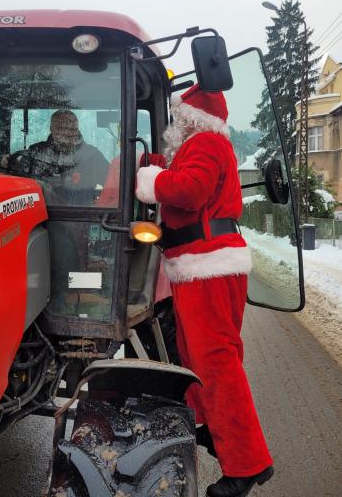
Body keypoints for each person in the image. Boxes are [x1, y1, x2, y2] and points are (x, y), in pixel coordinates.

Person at [135, 84, 274, 497]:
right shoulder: (196, 147)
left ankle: (248, 465)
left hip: (208, 265)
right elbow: (179, 172)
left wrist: (151, 178)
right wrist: (148, 161)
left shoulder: (207, 143)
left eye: (178, 117)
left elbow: (190, 190)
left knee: (216, 362)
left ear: (192, 118)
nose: (173, 125)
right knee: (196, 357)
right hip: (195, 266)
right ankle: (212, 427)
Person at [25, 109, 109, 206]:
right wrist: (6, 160)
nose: (66, 132)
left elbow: (113, 185)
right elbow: (19, 184)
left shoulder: (92, 156)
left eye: (71, 128)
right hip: (42, 214)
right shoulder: (36, 153)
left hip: (85, 216)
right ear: (51, 129)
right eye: (61, 128)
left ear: (76, 129)